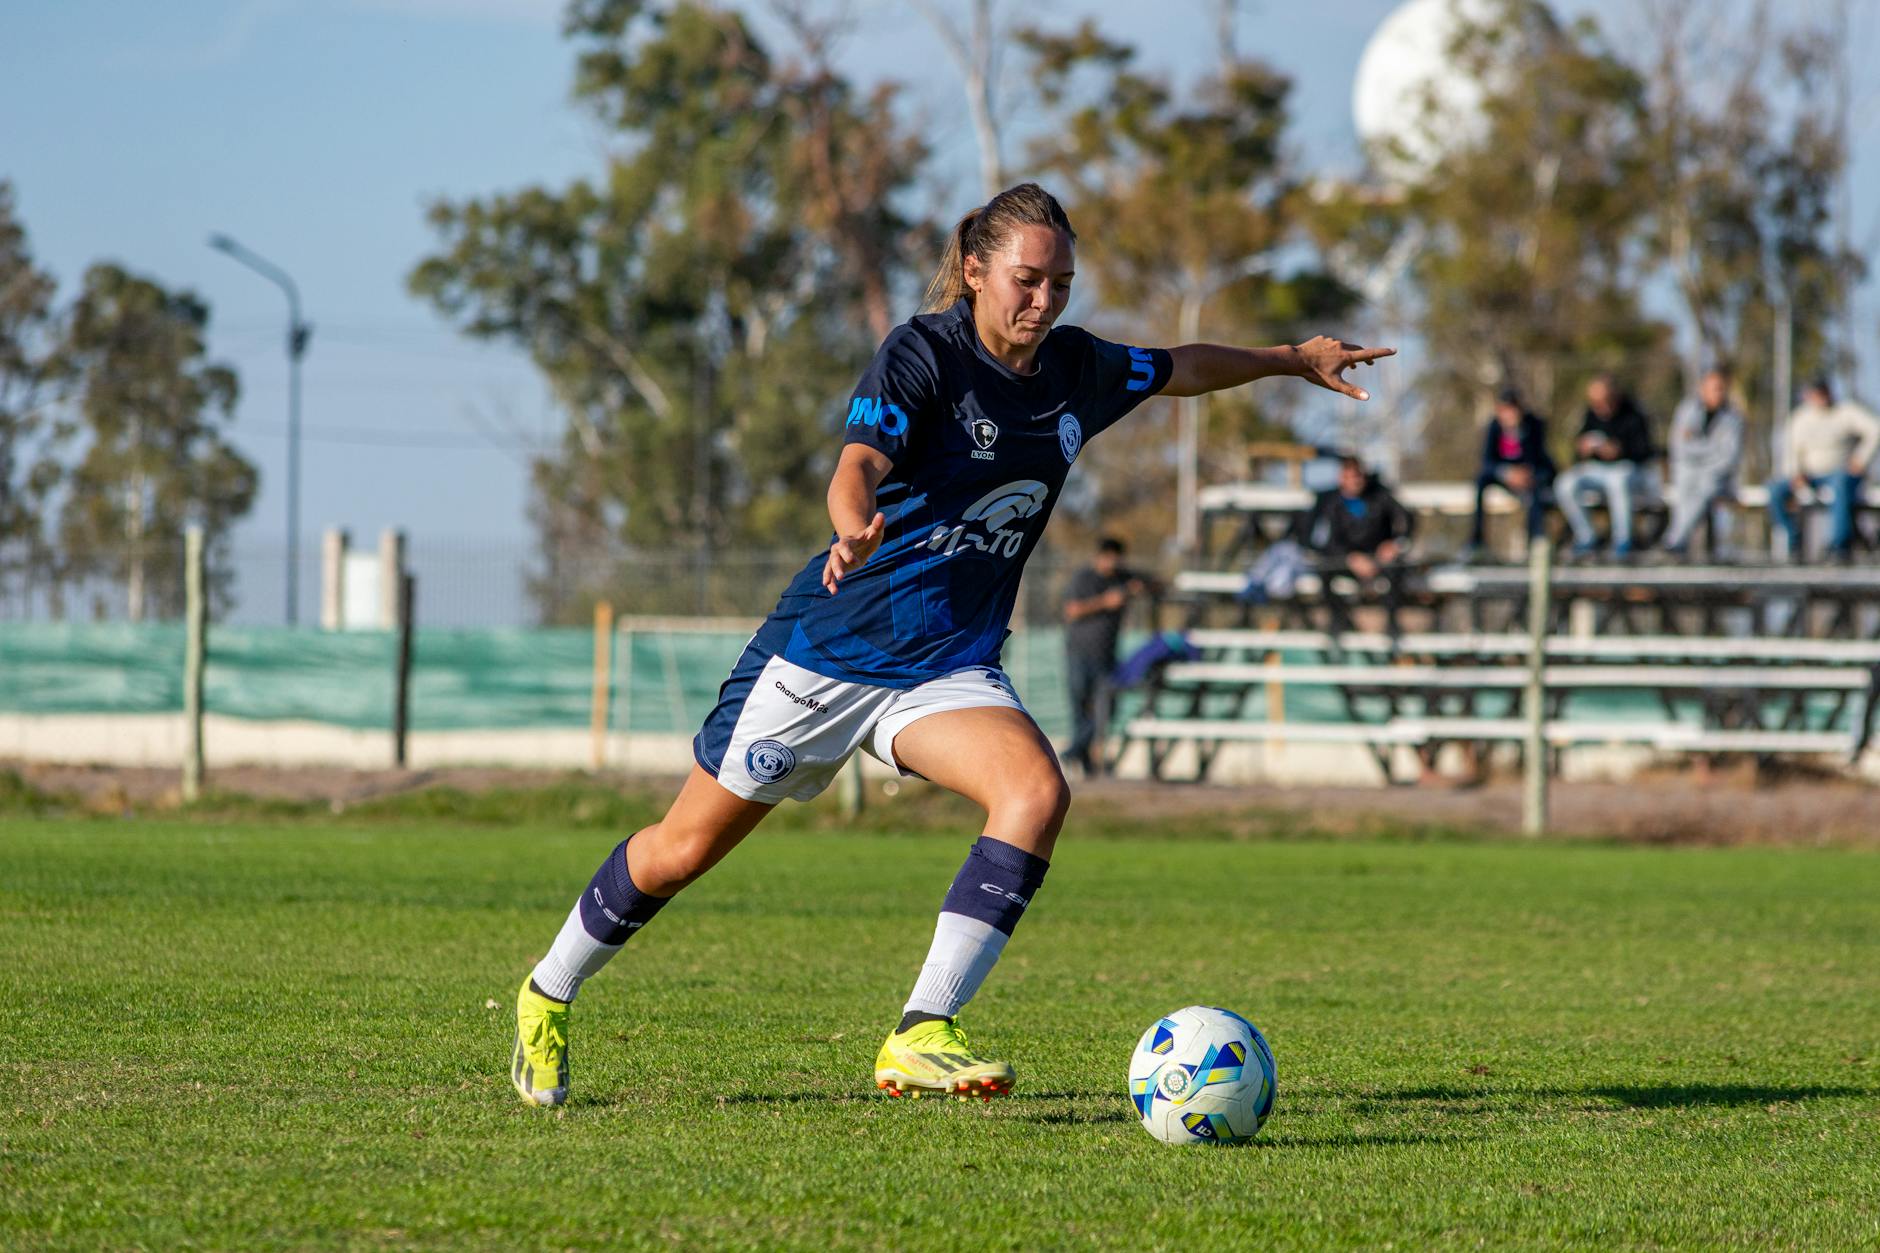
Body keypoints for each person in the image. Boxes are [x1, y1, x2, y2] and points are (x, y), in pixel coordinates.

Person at [508, 182, 1394, 1107]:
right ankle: (548, 990)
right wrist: (851, 527)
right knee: (680, 852)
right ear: (975, 271)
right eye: (1026, 279)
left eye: (1060, 283)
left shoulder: (1076, 372)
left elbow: (1179, 366)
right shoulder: (925, 352)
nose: (1043, 301)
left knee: (1036, 790)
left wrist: (1293, 359)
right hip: (827, 655)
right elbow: (857, 464)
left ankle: (921, 1029)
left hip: (945, 667)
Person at [1061, 536, 1147, 778]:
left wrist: (1138, 589)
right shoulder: (1083, 578)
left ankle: (1075, 751)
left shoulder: (1123, 578)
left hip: (1107, 655)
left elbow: (1153, 583)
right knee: (1080, 707)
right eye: (1108, 556)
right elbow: (1072, 610)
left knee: (1108, 708)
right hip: (1079, 653)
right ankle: (1081, 756)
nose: (1112, 562)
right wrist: (1105, 602)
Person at [1767, 380, 1880, 564]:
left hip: (1839, 474)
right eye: (1815, 393)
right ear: (1808, 395)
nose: (1820, 398)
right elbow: (1790, 451)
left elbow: (1875, 428)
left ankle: (1839, 547)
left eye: (1823, 392)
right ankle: (1794, 540)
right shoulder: (1800, 418)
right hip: (1809, 475)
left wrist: (1861, 459)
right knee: (1775, 490)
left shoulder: (1846, 412)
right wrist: (1795, 473)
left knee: (1840, 485)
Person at [1555, 374, 1658, 559]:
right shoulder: (1590, 413)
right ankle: (1586, 537)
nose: (1600, 406)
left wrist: (1619, 450)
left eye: (1604, 401)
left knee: (1618, 481)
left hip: (1629, 469)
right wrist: (1584, 449)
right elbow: (1578, 452)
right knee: (1565, 483)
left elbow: (1646, 451)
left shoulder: (1634, 413)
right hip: (1597, 469)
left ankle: (1622, 542)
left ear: (1614, 396)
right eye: (1595, 401)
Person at [1662, 367, 1744, 558]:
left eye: (1721, 388)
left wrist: (1697, 447)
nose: (1718, 392)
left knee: (1706, 488)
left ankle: (1675, 540)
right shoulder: (1687, 410)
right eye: (1714, 388)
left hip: (1718, 478)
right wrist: (1711, 448)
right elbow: (1679, 447)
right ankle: (1677, 543)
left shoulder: (1733, 418)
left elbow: (1729, 457)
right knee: (1685, 487)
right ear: (1703, 389)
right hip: (1688, 471)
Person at [1466, 387, 1554, 559]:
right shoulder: (1494, 427)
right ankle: (1476, 541)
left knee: (1537, 488)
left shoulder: (1534, 425)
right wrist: (1506, 473)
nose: (1509, 415)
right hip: (1504, 475)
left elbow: (1539, 457)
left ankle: (1535, 541)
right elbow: (1487, 462)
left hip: (1530, 474)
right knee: (1480, 480)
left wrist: (1519, 435)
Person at [1297, 454, 1415, 581]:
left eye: (1357, 476)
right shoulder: (1327, 501)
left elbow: (1406, 518)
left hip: (1377, 558)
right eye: (1348, 477)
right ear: (1340, 478)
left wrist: (1394, 544)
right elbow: (1312, 538)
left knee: (1396, 571)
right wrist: (1349, 558)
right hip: (1341, 559)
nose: (1354, 481)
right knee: (1325, 572)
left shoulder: (1379, 495)